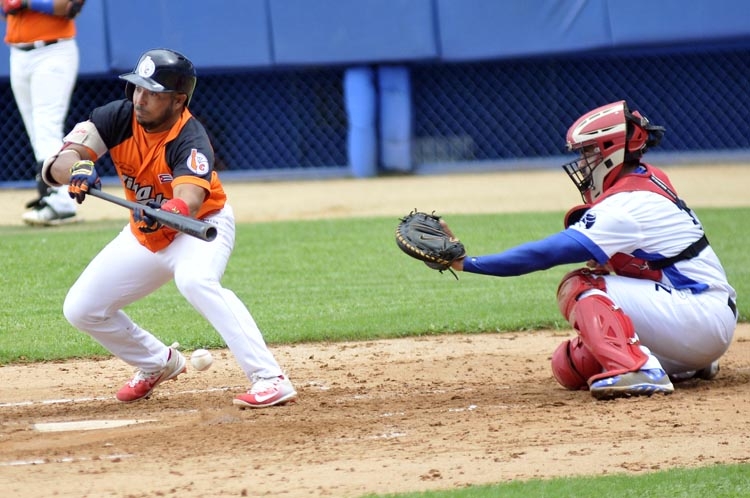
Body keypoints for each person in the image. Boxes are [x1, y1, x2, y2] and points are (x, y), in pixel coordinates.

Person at [40, 48, 297, 408]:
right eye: (137, 88)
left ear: (178, 101)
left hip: (198, 228)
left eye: (152, 93)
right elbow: (57, 165)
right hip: (144, 234)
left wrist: (167, 210)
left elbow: (189, 199)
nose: (140, 99)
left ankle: (270, 378)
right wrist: (77, 169)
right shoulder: (117, 116)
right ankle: (157, 362)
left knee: (196, 281)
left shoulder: (189, 138)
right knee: (82, 308)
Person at [443, 100, 737, 400]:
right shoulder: (648, 177)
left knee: (581, 283)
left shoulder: (627, 204)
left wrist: (469, 263)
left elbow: (546, 254)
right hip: (703, 317)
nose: (583, 163)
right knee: (570, 364)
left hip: (698, 317)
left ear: (611, 151)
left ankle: (638, 369)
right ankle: (691, 364)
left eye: (588, 152)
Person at [1, 0, 84, 225]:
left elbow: (70, 7)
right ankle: (50, 193)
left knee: (47, 126)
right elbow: (6, 12)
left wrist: (26, 2)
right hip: (18, 53)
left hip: (53, 51)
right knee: (37, 132)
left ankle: (60, 201)